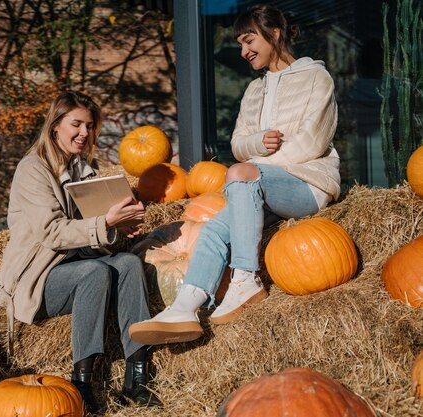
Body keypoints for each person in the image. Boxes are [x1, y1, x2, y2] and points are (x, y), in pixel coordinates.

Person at [129, 4, 340, 345]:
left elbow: (313, 143)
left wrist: (255, 167)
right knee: (213, 229)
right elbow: (239, 144)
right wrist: (257, 144)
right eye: (240, 43)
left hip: (307, 184)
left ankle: (246, 278)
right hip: (260, 188)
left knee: (241, 175)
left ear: (273, 34)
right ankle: (185, 306)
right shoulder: (254, 91)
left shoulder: (316, 78)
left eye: (249, 40)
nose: (243, 52)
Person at [0, 90, 162, 414]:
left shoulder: (81, 170)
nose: (84, 133)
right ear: (55, 125)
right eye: (76, 124)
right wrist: (104, 221)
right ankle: (83, 383)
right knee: (95, 272)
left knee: (127, 263)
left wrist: (117, 227)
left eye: (89, 126)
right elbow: (52, 232)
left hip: (72, 263)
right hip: (36, 278)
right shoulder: (33, 170)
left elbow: (88, 236)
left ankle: (137, 376)